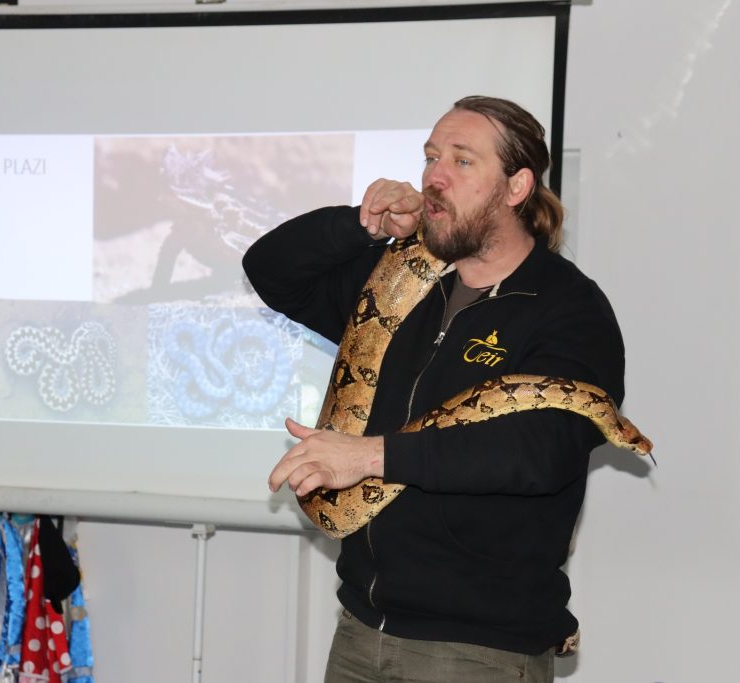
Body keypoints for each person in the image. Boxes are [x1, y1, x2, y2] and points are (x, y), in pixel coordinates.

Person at [242, 96, 625, 683]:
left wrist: (371, 456)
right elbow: (271, 269)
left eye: (462, 161)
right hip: (361, 632)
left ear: (517, 187)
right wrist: (362, 224)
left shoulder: (568, 310)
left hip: (477, 652)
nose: (434, 177)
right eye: (430, 157)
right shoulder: (395, 287)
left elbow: (539, 452)